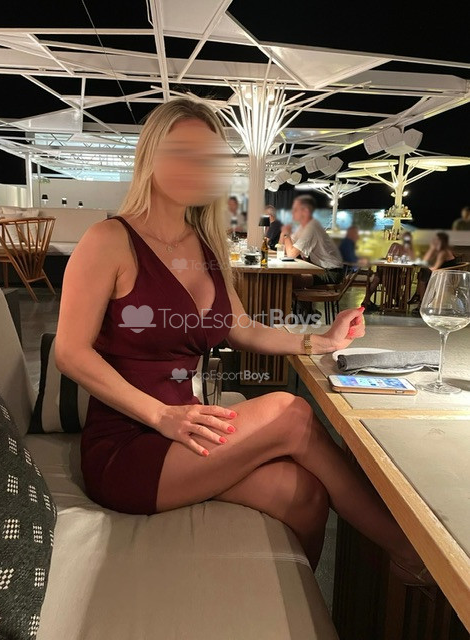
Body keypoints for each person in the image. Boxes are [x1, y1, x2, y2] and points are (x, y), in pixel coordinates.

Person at [54, 97, 432, 583]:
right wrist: (162, 415)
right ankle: (413, 554)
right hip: (128, 446)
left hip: (189, 431)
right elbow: (70, 352)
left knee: (305, 495)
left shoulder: (206, 246)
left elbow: (243, 327)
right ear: (150, 155)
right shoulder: (108, 240)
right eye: (181, 152)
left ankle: (296, 611)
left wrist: (320, 340)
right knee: (292, 412)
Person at [279, 195, 345, 288]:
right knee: (288, 278)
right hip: (319, 268)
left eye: (295, 209)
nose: (292, 212)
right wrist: (284, 233)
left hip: (332, 272)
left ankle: (294, 298)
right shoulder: (302, 228)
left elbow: (291, 254)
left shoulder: (311, 227)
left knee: (293, 280)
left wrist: (286, 234)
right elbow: (282, 248)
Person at [361, 231, 416, 312]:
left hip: (398, 274)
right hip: (391, 272)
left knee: (381, 276)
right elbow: (389, 258)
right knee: (380, 276)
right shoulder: (397, 246)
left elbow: (410, 262)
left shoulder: (409, 251)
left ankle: (368, 301)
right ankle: (394, 301)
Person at [409, 232, 460, 313]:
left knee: (424, 274)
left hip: (446, 275)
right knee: (422, 273)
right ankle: (420, 299)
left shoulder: (443, 252)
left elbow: (434, 268)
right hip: (441, 272)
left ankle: (421, 303)